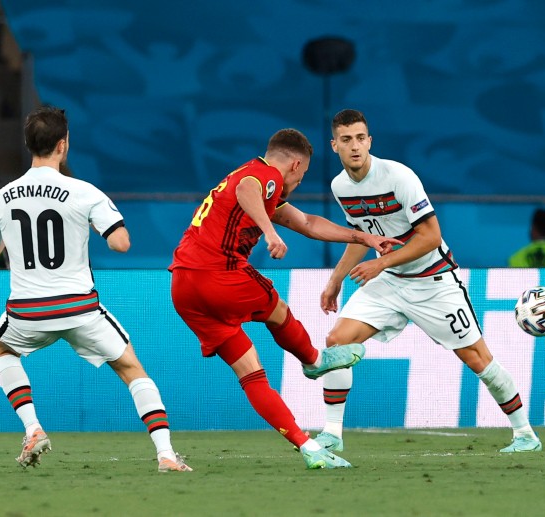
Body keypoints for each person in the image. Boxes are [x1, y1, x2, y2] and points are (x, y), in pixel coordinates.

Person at [0, 106, 191, 472]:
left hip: (27, 311)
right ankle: (165, 453)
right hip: (79, 309)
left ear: (29, 145)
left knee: (2, 348)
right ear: (63, 145)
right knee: (131, 368)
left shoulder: (3, 197)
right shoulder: (84, 192)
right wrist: (88, 223)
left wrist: (8, 237)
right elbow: (121, 243)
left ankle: (33, 428)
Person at [168, 128, 401, 469]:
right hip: (218, 273)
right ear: (295, 165)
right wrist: (270, 232)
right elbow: (249, 189)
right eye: (301, 176)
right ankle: (313, 361)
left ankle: (308, 447)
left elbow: (307, 223)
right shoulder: (264, 175)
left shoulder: (252, 183)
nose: (298, 183)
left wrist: (363, 238)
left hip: (183, 286)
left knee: (250, 373)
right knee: (276, 307)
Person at [313, 109, 542, 454]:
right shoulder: (339, 186)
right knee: (337, 342)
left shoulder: (399, 177)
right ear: (335, 145)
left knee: (478, 358)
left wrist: (381, 263)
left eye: (360, 138)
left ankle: (525, 434)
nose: (355, 146)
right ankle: (332, 433)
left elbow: (431, 236)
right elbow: (361, 234)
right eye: (346, 140)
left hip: (433, 280)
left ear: (370, 141)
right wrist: (335, 280)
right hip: (390, 281)